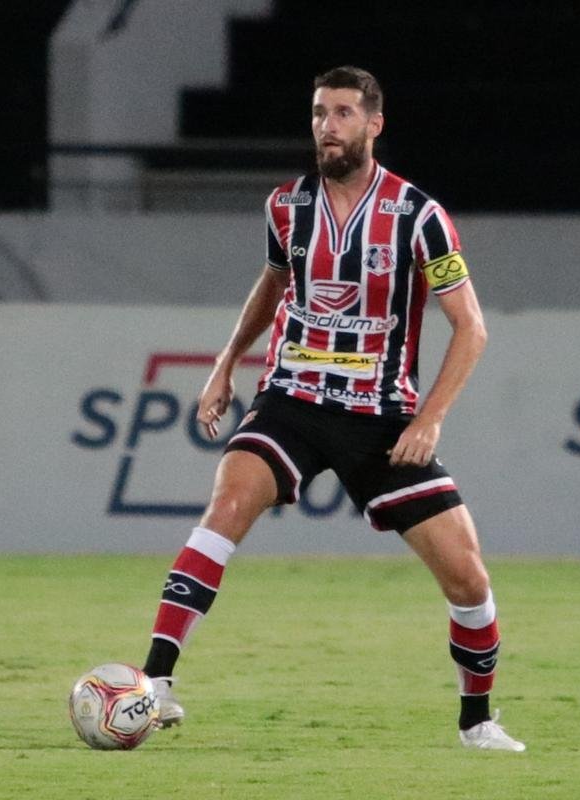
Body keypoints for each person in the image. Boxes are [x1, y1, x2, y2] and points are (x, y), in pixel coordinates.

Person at [139, 65, 524, 752]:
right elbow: (273, 284)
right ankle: (154, 685)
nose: (328, 126)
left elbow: (471, 327)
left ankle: (477, 720)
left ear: (374, 124)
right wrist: (226, 364)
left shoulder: (419, 217)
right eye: (319, 113)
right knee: (225, 506)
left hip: (381, 418)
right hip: (292, 400)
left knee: (466, 574)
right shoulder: (285, 206)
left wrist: (428, 417)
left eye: (343, 113)